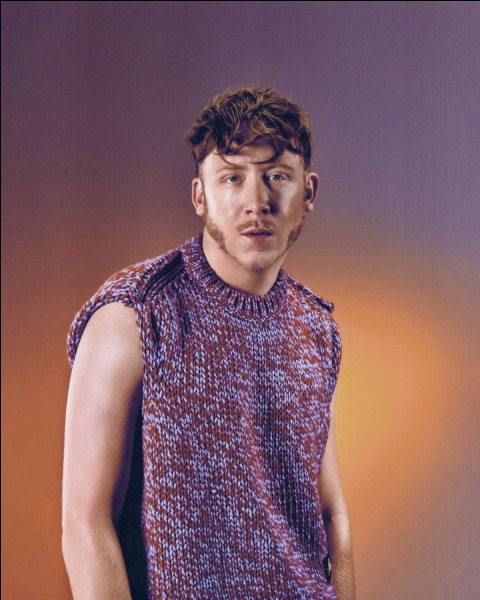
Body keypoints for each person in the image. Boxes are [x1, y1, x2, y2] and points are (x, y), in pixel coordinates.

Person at [62, 86, 356, 600]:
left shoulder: (317, 328)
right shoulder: (135, 314)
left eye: (276, 176)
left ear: (307, 192)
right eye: (232, 177)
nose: (256, 202)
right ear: (200, 196)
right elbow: (86, 522)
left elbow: (331, 514)